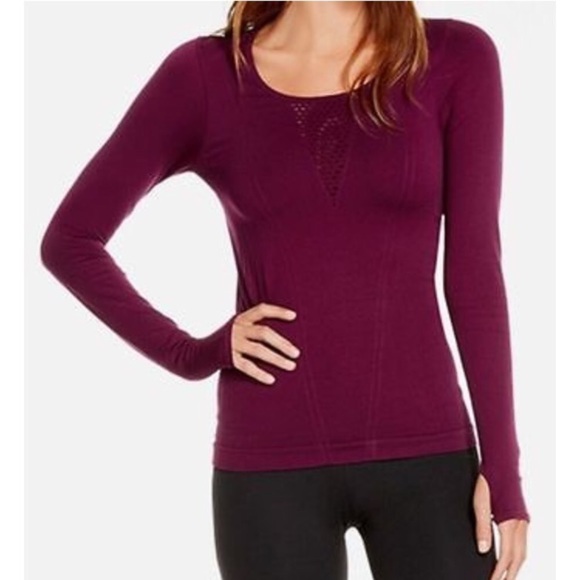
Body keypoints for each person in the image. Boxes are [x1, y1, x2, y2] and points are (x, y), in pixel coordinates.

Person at [40, 1, 530, 579]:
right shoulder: (206, 75)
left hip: (430, 457)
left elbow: (475, 274)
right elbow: (70, 240)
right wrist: (191, 353)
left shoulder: (453, 56)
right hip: (269, 470)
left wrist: (503, 470)